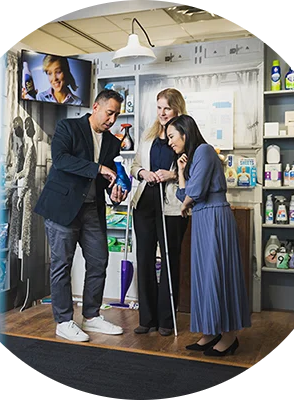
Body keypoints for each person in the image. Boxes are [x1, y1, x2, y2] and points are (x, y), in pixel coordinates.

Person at [33, 89, 128, 342]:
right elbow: (61, 159)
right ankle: (63, 321)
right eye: (109, 113)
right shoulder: (68, 127)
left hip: (92, 210)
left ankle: (91, 316)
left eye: (116, 115)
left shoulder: (111, 141)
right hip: (62, 208)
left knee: (99, 261)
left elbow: (107, 178)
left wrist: (115, 192)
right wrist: (97, 167)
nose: (112, 120)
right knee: (61, 265)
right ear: (96, 107)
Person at [165, 114, 251, 356]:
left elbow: (194, 192)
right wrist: (181, 172)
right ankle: (211, 332)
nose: (170, 141)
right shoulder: (192, 158)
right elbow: (185, 196)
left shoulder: (204, 150)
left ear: (185, 133)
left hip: (214, 216)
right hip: (203, 217)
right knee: (204, 275)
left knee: (218, 273)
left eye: (172, 136)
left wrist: (186, 200)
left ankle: (230, 335)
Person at [130, 88, 189, 337]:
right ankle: (147, 318)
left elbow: (194, 168)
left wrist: (173, 174)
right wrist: (142, 173)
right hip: (144, 203)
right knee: (144, 259)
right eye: (159, 108)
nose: (162, 113)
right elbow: (134, 165)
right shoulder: (148, 136)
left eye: (167, 108)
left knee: (169, 260)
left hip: (172, 207)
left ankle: (166, 319)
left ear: (177, 109)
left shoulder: (185, 135)